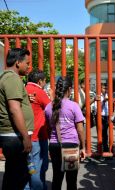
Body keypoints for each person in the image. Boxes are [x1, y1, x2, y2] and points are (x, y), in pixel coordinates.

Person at [0, 48, 34, 189]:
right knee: (17, 178)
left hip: (14, 136)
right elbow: (14, 109)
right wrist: (25, 137)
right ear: (18, 62)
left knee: (13, 175)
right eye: (27, 63)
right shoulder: (12, 78)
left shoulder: (9, 78)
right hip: (15, 137)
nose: (29, 66)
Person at [45, 76, 86, 190]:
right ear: (69, 89)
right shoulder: (74, 106)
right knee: (71, 181)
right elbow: (80, 129)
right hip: (71, 146)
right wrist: (83, 147)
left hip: (54, 145)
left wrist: (52, 142)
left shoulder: (48, 107)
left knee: (57, 179)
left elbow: (48, 128)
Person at [25, 69, 51, 190]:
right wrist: (51, 96)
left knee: (28, 166)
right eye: (45, 81)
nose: (45, 83)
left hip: (25, 135)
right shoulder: (39, 92)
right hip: (38, 136)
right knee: (37, 166)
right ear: (40, 81)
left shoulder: (24, 90)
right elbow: (51, 109)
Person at [101, 84, 109, 152]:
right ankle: (103, 149)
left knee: (106, 133)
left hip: (107, 115)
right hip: (101, 116)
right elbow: (97, 107)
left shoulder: (108, 95)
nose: (105, 90)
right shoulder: (99, 96)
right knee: (102, 133)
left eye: (106, 88)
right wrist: (103, 101)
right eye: (103, 88)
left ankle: (106, 148)